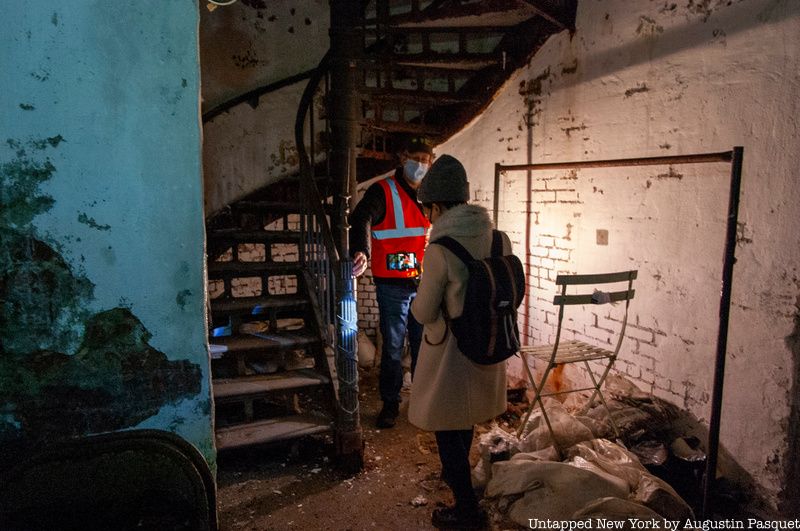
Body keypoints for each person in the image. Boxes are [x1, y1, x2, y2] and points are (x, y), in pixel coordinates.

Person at [409, 154, 509, 530]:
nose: (428, 217)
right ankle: (462, 488)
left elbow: (422, 312)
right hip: (486, 346)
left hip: (450, 357)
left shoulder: (439, 250)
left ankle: (466, 510)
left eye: (428, 210)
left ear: (437, 206)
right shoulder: (499, 238)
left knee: (447, 432)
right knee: (464, 423)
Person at [349, 137, 434, 428]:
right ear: (402, 157)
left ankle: (423, 401)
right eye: (415, 158)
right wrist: (359, 249)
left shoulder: (429, 194)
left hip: (423, 282)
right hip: (392, 286)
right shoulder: (383, 190)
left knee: (424, 345)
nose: (420, 165)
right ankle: (390, 404)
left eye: (425, 160)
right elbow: (360, 217)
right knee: (394, 347)